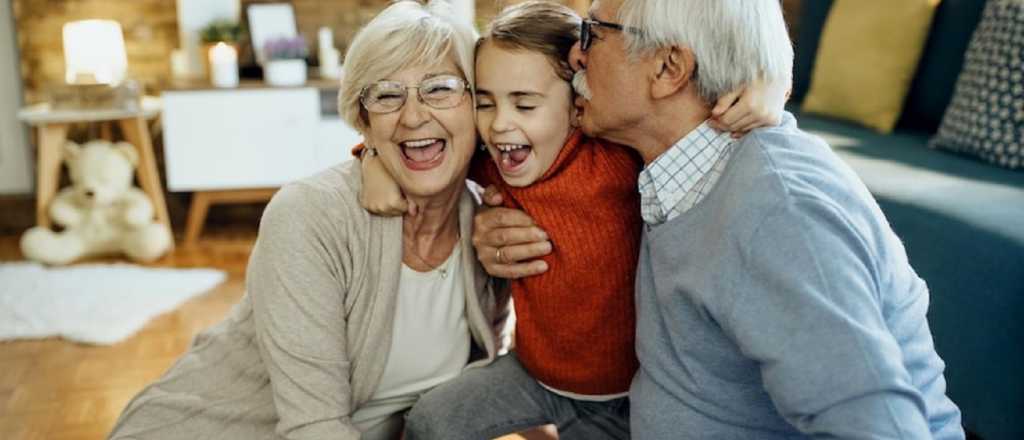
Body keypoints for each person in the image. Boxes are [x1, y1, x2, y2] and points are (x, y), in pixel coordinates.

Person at [473, 0, 966, 438]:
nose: (576, 55)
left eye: (593, 35)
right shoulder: (664, 162)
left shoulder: (779, 215)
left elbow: (882, 426)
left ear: (669, 68)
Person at [357, 2, 787, 438]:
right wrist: (372, 157)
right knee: (432, 419)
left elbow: (697, 123)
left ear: (579, 106)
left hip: (622, 394)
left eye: (525, 105)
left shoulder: (617, 156)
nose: (500, 125)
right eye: (485, 104)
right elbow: (425, 148)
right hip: (533, 374)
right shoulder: (493, 160)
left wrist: (771, 86)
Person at [107, 2, 510, 439]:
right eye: (387, 95)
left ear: (478, 106)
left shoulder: (490, 226)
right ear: (365, 123)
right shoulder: (309, 216)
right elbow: (315, 428)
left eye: (440, 89)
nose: (413, 116)